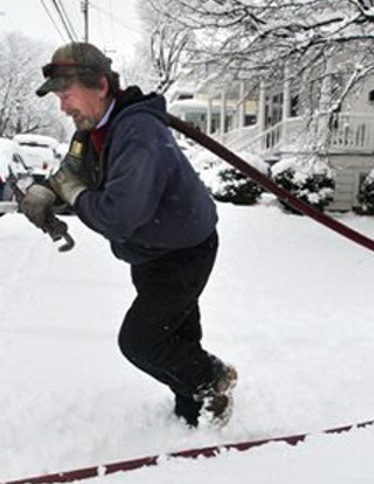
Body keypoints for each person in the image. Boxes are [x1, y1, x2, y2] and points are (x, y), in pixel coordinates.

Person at [20, 42, 237, 427]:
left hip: (184, 251)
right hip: (153, 249)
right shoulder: (91, 131)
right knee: (177, 333)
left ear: (100, 86)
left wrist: (72, 193)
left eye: (67, 94)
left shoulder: (138, 132)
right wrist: (47, 191)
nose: (62, 106)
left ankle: (214, 380)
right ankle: (193, 408)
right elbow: (73, 172)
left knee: (142, 340)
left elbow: (120, 216)